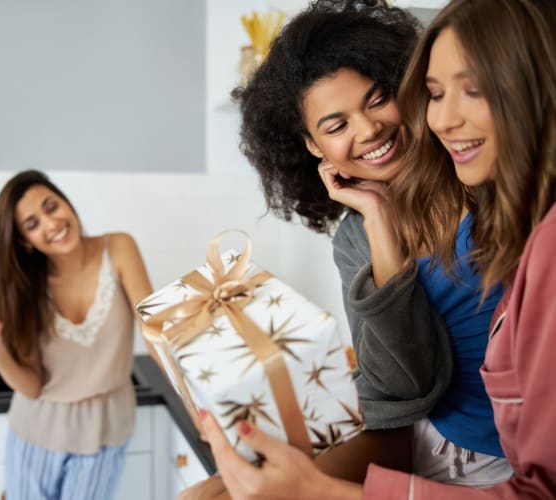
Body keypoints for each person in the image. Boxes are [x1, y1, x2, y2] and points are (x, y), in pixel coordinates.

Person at [200, 0, 556, 497]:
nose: (368, 130)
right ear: (312, 146)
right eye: (336, 125)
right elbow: (402, 386)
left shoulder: (486, 178)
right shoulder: (355, 235)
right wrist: (380, 223)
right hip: (428, 440)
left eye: (377, 99)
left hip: (508, 456)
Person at [0, 170, 152, 500]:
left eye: (51, 206)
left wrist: (195, 405)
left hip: (107, 429)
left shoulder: (119, 248)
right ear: (23, 242)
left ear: (66, 202)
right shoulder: (24, 289)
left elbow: (156, 333)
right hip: (36, 432)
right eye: (32, 224)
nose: (52, 223)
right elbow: (31, 385)